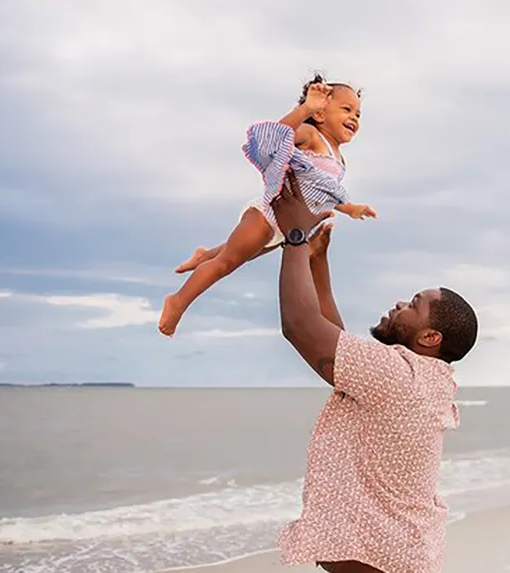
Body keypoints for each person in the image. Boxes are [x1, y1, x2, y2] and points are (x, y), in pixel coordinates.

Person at [269, 168, 479, 573]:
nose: (401, 302)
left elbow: (300, 326)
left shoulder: (402, 377)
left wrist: (294, 238)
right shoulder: (417, 377)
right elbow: (338, 345)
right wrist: (317, 264)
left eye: (414, 304)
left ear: (430, 337)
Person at [157, 74, 376, 338]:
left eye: (359, 114)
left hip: (285, 229)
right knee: (228, 262)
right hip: (268, 214)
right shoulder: (311, 135)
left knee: (239, 254)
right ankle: (178, 301)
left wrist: (350, 208)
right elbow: (277, 136)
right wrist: (305, 109)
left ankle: (203, 255)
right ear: (320, 114)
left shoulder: (339, 160)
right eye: (347, 109)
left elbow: (325, 191)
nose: (355, 118)